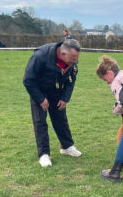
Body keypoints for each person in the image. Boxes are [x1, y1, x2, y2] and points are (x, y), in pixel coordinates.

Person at [23, 39, 82, 167]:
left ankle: (67, 147)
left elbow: (71, 80)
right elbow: (28, 80)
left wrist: (65, 98)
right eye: (73, 58)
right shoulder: (40, 56)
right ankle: (44, 154)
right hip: (39, 91)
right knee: (40, 122)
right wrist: (40, 99)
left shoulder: (72, 60)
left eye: (77, 58)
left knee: (61, 119)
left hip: (57, 91)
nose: (76, 61)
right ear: (63, 54)